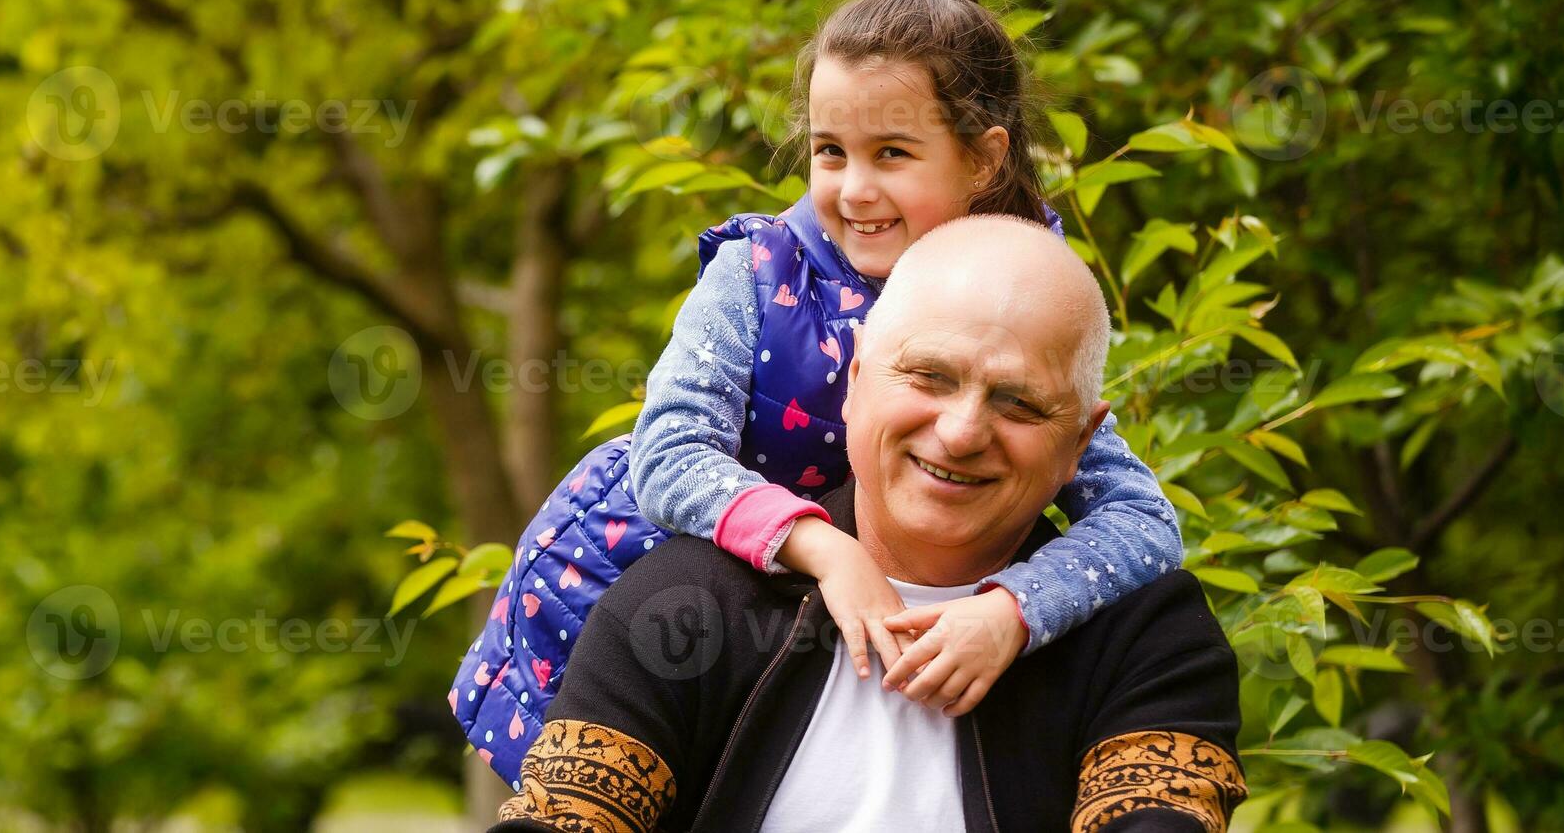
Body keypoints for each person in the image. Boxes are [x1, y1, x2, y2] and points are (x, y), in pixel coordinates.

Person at [452, 0, 1183, 785]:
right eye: (830, 151)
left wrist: (1016, 610)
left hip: (826, 640)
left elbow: (1143, 521)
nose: (854, 189)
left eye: (893, 154)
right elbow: (668, 454)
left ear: (982, 160)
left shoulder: (1021, 304)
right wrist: (830, 553)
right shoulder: (760, 272)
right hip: (639, 579)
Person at [494, 215, 1246, 832]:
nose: (959, 433)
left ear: (1080, 443)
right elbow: (563, 820)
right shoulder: (686, 602)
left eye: (1018, 402)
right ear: (853, 383)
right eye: (929, 377)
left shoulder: (1145, 635)